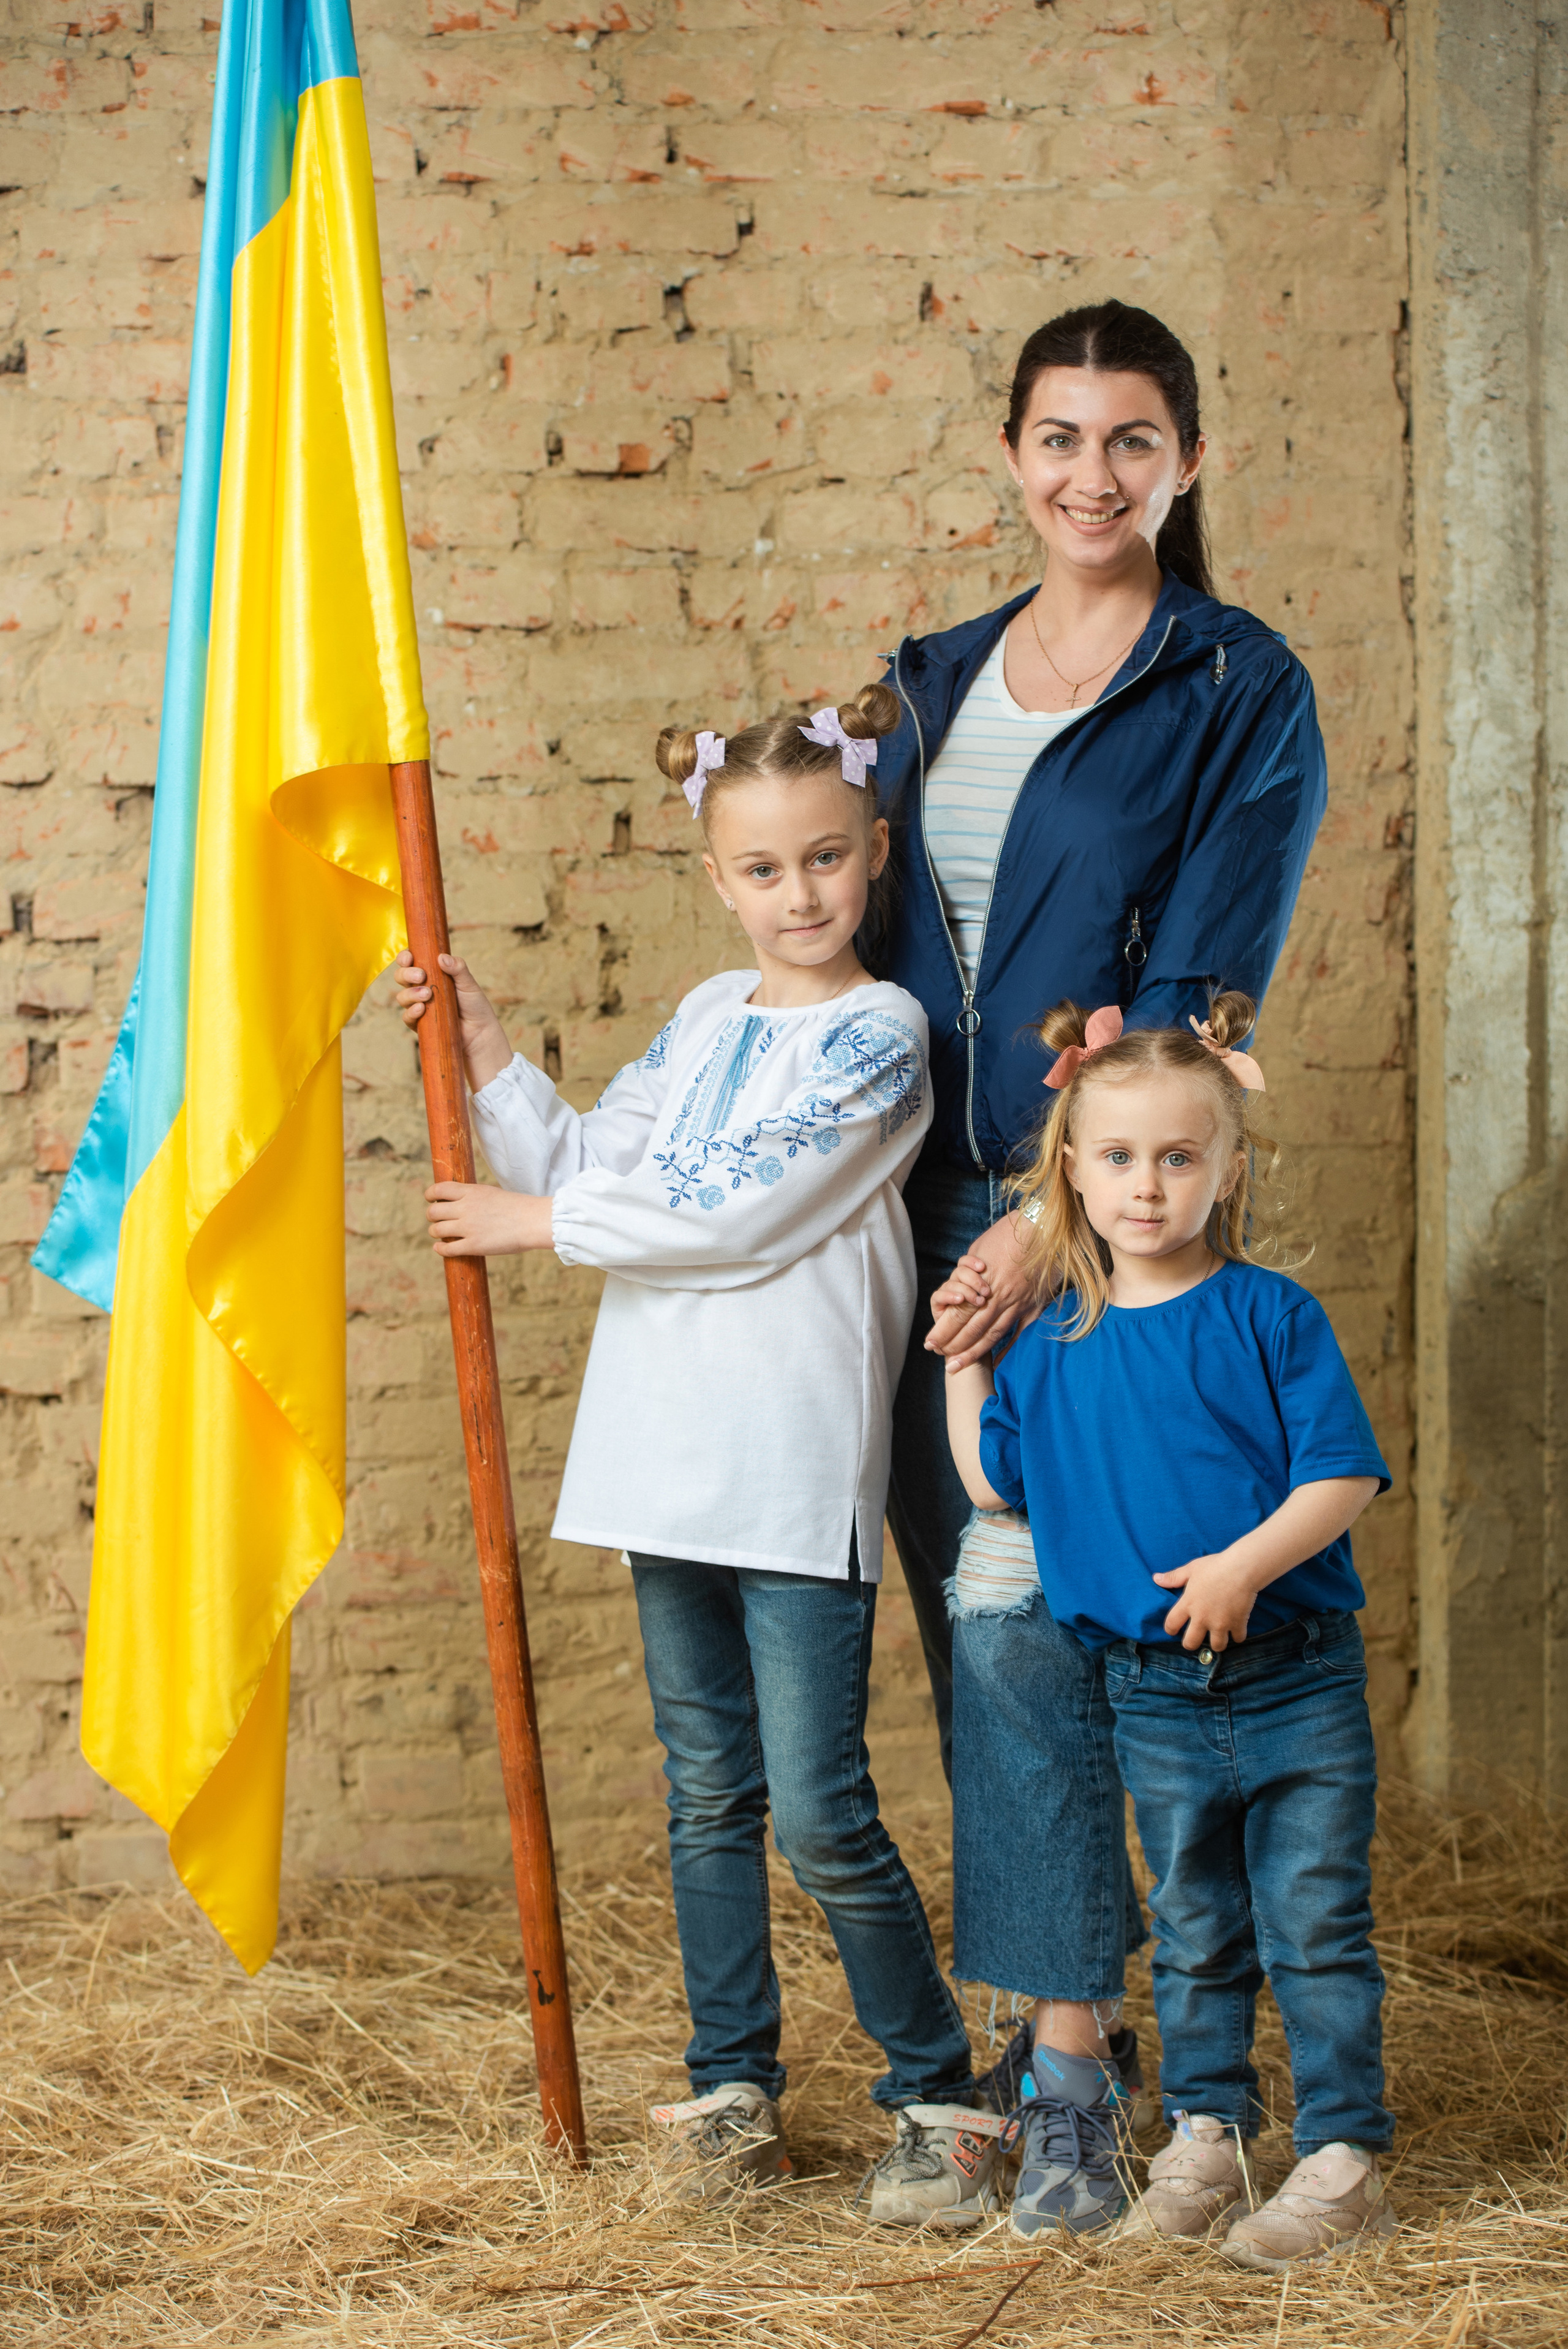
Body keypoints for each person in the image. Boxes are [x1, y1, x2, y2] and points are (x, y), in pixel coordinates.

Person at [391, 687, 1009, 2227]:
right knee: (704, 1795)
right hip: (661, 1452)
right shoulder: (702, 1017)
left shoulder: (881, 1038)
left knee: (817, 1805)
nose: (796, 897)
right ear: (715, 875)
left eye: (823, 862)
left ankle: (939, 2088)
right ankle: (730, 2084)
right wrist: (487, 1059)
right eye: (761, 870)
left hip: (787, 1462)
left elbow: (739, 1207)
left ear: (871, 853)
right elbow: (610, 1157)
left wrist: (539, 1229)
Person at [873, 293, 1330, 2126]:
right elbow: (841, 927)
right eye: (1058, 437)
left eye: (1132, 440)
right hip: (906, 1214)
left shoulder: (1234, 685)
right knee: (967, 1628)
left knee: (1034, 1614)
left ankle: (1077, 2069)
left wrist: (1043, 1221)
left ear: (1188, 462)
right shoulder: (928, 677)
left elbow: (1201, 1001)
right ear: (1010, 456)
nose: (1092, 472)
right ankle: (1082, 2031)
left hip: (1094, 1228)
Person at [944, 994, 1394, 2263]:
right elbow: (990, 1484)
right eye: (1119, 1158)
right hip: (1149, 1692)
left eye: (1177, 1157)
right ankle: (1205, 2138)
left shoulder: (1268, 1315)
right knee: (1194, 1928)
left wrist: (1245, 1566)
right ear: (1071, 1173)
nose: (1146, 1188)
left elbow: (1341, 1477)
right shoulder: (1053, 1345)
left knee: (1311, 1923)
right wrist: (960, 1359)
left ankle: (1342, 2159)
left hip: (1292, 1676)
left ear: (1226, 1169)